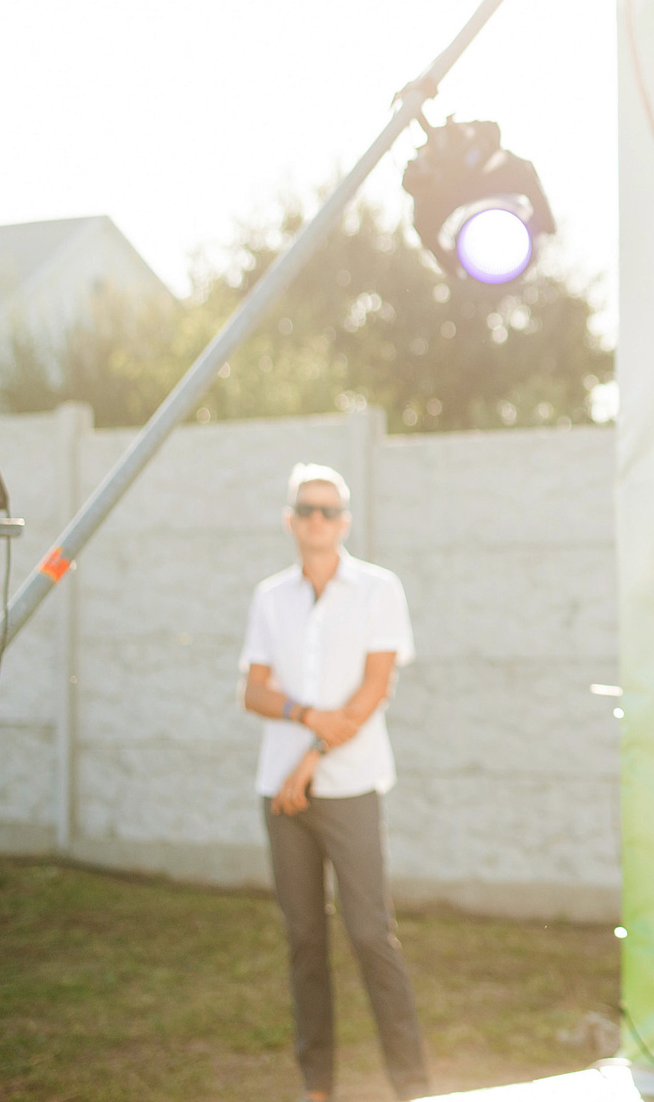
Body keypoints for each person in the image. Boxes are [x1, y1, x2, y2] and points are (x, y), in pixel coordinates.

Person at [239, 463, 429, 1102]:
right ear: (290, 520)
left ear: (344, 521)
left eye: (328, 510)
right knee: (304, 940)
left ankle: (412, 1086)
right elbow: (253, 692)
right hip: (282, 795)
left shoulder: (379, 589)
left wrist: (312, 754)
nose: (317, 520)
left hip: (349, 787)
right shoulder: (270, 597)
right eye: (306, 509)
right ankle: (316, 1087)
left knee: (370, 933)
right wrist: (306, 715)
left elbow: (375, 688)